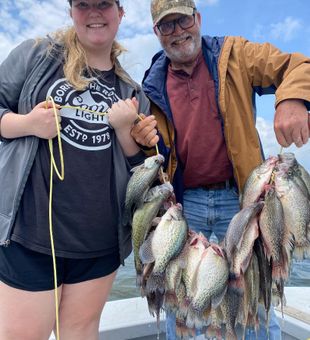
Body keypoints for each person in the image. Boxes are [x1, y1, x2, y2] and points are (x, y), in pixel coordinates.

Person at [131, 0, 310, 339]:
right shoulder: (151, 86)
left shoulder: (236, 54)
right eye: (166, 26)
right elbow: (152, 152)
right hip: (185, 205)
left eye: (182, 20)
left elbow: (296, 64)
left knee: (254, 294)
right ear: (156, 33)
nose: (177, 32)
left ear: (197, 18)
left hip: (241, 198)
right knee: (181, 299)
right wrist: (141, 137)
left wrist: (291, 99)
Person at [0, 1, 149, 339]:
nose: (94, 12)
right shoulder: (37, 56)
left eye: (104, 4)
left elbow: (141, 172)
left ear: (120, 12)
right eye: (83, 4)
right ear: (71, 12)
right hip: (30, 236)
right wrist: (27, 124)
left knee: (81, 332)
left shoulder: (132, 92)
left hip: (99, 243)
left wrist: (126, 132)